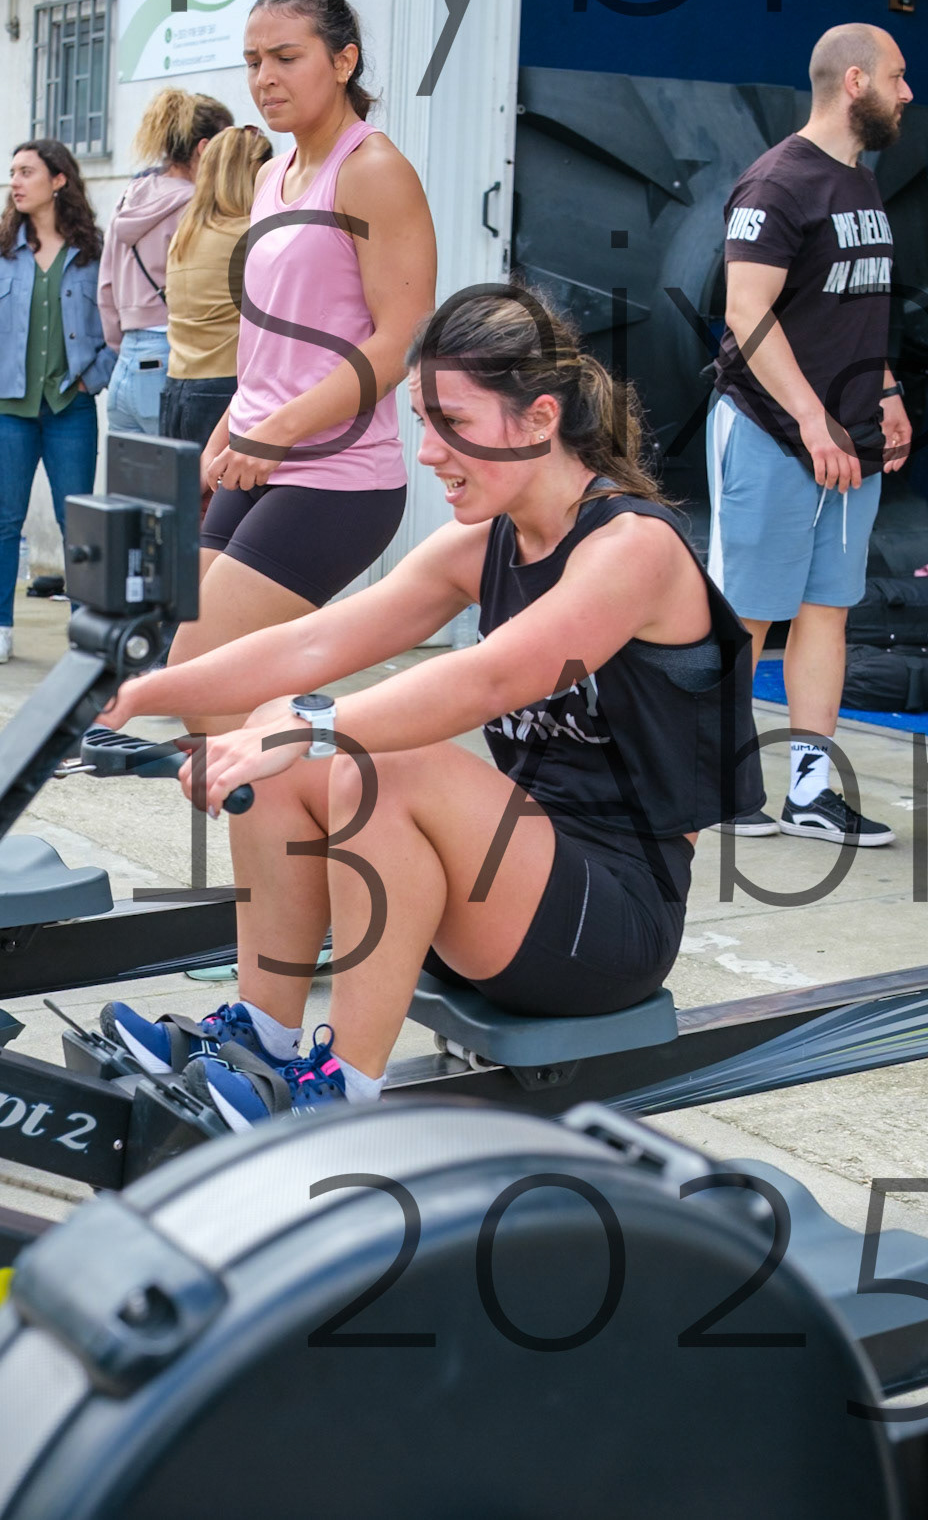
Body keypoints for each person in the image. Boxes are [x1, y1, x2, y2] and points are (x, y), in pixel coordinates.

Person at [96, 285, 762, 1128]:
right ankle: (262, 1036)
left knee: (381, 765)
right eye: (422, 423)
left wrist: (303, 727)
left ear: (539, 419)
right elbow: (313, 644)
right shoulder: (486, 543)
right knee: (282, 747)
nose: (429, 453)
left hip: (608, 925)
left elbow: (488, 680)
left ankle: (339, 1097)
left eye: (454, 423)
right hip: (499, 886)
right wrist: (141, 688)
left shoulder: (634, 548)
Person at [168, 0, 437, 736]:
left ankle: (350, 781)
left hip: (336, 477)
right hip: (253, 457)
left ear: (343, 61)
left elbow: (402, 338)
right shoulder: (269, 176)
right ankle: (301, 790)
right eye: (253, 61)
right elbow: (270, 347)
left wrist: (276, 432)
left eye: (287, 57)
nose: (265, 78)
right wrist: (220, 444)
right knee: (209, 690)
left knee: (202, 684)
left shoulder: (373, 170)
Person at [707, 23, 913, 845]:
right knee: (746, 617)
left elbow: (851, 305)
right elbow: (745, 312)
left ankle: (810, 792)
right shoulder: (777, 183)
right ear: (855, 81)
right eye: (896, 77)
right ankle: (720, 784)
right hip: (771, 430)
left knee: (827, 610)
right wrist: (808, 417)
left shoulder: (860, 183)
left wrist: (885, 388)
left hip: (849, 439)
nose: (906, 93)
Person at [0, 140, 113, 664]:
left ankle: (84, 632)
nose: (16, 182)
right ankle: (0, 628)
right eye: (13, 173)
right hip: (10, 411)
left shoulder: (93, 251)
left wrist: (94, 378)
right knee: (4, 523)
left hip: (72, 408)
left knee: (79, 525)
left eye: (27, 172)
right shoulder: (4, 249)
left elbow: (118, 322)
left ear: (59, 179)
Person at [98, 88, 234, 435]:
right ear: (205, 148)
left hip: (125, 361)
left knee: (130, 471)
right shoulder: (196, 208)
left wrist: (122, 345)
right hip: (172, 357)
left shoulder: (128, 198)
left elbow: (106, 288)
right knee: (183, 469)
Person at [160, 126, 273, 451]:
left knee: (186, 485)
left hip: (176, 385)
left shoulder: (185, 233)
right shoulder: (250, 234)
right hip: (224, 389)